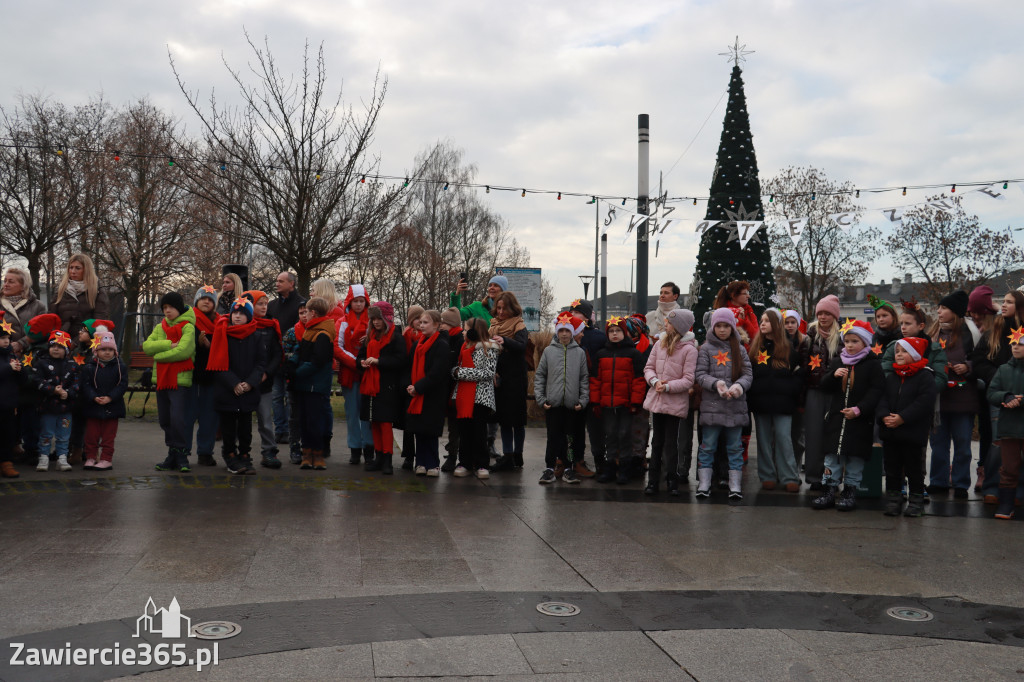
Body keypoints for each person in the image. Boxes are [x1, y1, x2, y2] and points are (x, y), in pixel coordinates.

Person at [812, 319, 885, 511]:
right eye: (848, 341)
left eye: (855, 341)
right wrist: (833, 376)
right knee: (832, 457)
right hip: (837, 419)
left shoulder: (872, 364)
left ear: (865, 343)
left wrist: (859, 409)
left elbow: (876, 391)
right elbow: (824, 386)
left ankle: (850, 491)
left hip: (860, 421)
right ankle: (829, 489)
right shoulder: (838, 361)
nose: (850, 345)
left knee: (855, 458)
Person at [971, 290, 1024, 504]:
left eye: (1009, 302)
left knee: (1019, 444)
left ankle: (1018, 490)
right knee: (998, 442)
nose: (1002, 306)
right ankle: (992, 487)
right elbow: (978, 359)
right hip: (999, 393)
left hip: (1021, 395)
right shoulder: (994, 330)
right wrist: (999, 377)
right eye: (1003, 301)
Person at [694, 308, 752, 499]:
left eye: (726, 326)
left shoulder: (740, 349)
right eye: (718, 326)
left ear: (732, 327)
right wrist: (716, 383)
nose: (722, 329)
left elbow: (747, 375)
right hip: (712, 408)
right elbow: (700, 375)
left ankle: (735, 485)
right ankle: (704, 483)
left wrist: (738, 387)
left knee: (735, 448)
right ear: (713, 326)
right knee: (708, 446)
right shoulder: (705, 349)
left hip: (735, 408)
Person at [878, 337, 937, 517]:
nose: (899, 355)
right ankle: (894, 500)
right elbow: (882, 398)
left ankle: (916, 501)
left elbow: (924, 402)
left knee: (913, 468)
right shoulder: (892, 376)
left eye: (904, 351)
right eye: (897, 352)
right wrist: (884, 415)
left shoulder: (925, 376)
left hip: (912, 431)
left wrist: (903, 417)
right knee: (892, 468)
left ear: (914, 354)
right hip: (891, 432)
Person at [642, 308, 698, 495]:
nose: (665, 324)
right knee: (657, 441)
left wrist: (668, 386)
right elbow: (649, 368)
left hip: (674, 401)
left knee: (671, 443)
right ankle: (653, 481)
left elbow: (688, 379)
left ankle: (672, 481)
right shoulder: (659, 345)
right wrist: (655, 381)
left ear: (678, 326)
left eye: (669, 322)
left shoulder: (689, 349)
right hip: (657, 400)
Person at [927, 290, 977, 499]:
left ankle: (960, 483)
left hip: (963, 398)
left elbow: (981, 359)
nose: (939, 311)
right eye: (939, 307)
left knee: (963, 444)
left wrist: (967, 366)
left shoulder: (969, 334)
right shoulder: (932, 334)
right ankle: (938, 481)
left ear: (955, 312)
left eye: (944, 308)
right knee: (938, 444)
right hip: (938, 399)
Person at [207, 298, 266, 475]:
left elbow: (261, 363)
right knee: (229, 427)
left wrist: (250, 382)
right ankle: (230, 455)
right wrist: (233, 383)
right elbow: (218, 364)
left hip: (248, 390)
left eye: (242, 314)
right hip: (227, 390)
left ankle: (245, 455)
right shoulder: (222, 334)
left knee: (245, 427)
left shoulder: (256, 336)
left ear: (249, 317)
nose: (237, 317)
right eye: (235, 313)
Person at [748, 309, 804, 492]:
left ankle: (789, 476)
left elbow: (798, 376)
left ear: (777, 324)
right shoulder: (755, 349)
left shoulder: (789, 349)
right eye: (761, 320)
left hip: (783, 404)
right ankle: (767, 476)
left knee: (784, 439)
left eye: (767, 320)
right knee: (763, 440)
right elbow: (750, 375)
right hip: (761, 402)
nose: (762, 324)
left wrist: (790, 391)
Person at [590, 316, 647, 488]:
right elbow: (595, 380)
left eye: (618, 331)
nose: (615, 334)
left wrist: (636, 402)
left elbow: (639, 379)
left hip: (626, 404)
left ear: (625, 333)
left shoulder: (633, 354)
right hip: (607, 404)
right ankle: (609, 467)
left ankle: (624, 468)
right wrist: (595, 402)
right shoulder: (601, 355)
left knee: (624, 435)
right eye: (611, 331)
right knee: (610, 435)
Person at [145, 292, 197, 473]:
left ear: (179, 308)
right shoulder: (161, 327)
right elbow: (147, 346)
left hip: (180, 380)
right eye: (164, 308)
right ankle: (172, 453)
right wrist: (168, 345)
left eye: (170, 307)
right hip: (162, 379)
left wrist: (158, 356)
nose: (167, 311)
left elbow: (184, 351)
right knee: (165, 419)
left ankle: (182, 454)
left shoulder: (188, 327)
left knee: (178, 419)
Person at [535, 312, 589, 484]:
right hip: (553, 404)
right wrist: (541, 399)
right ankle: (550, 467)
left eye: (567, 330)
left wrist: (582, 400)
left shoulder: (579, 353)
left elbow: (583, 378)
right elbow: (540, 376)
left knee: (570, 438)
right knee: (553, 437)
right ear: (557, 333)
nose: (564, 334)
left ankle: (568, 468)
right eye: (561, 331)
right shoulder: (549, 352)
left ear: (572, 332)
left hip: (572, 405)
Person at [358, 302, 406, 475]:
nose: (376, 322)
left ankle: (387, 459)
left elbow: (400, 361)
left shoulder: (396, 337)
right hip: (370, 385)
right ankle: (379, 457)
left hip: (386, 386)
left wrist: (379, 362)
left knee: (385, 424)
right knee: (374, 423)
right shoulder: (369, 336)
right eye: (374, 319)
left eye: (379, 318)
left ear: (387, 318)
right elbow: (361, 356)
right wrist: (362, 363)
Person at [451, 318, 499, 479]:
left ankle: (482, 464)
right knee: (464, 432)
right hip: (463, 396)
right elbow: (455, 367)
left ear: (474, 331)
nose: (463, 332)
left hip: (480, 397)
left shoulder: (489, 348)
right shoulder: (464, 347)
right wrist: (455, 371)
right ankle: (465, 462)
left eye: (465, 329)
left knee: (479, 432)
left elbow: (488, 373)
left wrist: (461, 373)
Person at [803, 294, 842, 490]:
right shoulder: (809, 337)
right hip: (814, 391)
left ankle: (832, 477)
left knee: (833, 435)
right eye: (820, 313)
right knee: (813, 435)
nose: (823, 317)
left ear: (835, 316)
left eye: (827, 313)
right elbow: (802, 365)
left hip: (835, 393)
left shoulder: (842, 338)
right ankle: (813, 477)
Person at [291, 297, 335, 470]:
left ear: (313, 313)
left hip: (315, 385)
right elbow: (301, 351)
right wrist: (293, 362)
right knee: (304, 420)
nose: (305, 315)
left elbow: (317, 361)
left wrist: (295, 373)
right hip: (306, 384)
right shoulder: (311, 330)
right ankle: (307, 453)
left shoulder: (323, 333)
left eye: (307, 312)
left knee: (314, 421)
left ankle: (317, 453)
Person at [404, 310, 450, 477]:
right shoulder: (417, 345)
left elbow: (437, 373)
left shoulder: (442, 345)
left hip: (432, 395)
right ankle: (420, 462)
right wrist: (411, 385)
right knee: (419, 430)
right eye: (420, 322)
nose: (421, 325)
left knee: (430, 431)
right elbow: (410, 367)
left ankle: (433, 463)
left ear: (436, 325)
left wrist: (419, 386)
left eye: (425, 323)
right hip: (417, 393)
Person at [242, 290, 284, 469]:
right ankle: (242, 453)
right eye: (260, 303)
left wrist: (267, 373)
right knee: (242, 421)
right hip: (244, 383)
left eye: (266, 303)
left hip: (264, 382)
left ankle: (269, 451)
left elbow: (277, 355)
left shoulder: (271, 326)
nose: (264, 307)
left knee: (266, 419)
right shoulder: (241, 325)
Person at [489, 292, 530, 472]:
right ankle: (507, 456)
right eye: (498, 308)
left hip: (517, 379)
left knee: (518, 420)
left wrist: (504, 340)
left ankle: (518, 454)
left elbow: (521, 347)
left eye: (504, 308)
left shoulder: (519, 325)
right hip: (501, 378)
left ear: (512, 308)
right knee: (504, 420)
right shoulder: (493, 326)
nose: (500, 312)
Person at [986, 332, 1024, 519]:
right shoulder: (1003, 370)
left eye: (1021, 344)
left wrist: (1021, 401)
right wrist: (1005, 397)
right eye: (1014, 344)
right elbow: (992, 393)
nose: (1016, 347)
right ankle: (1006, 503)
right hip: (1009, 427)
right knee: (1009, 467)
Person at [336, 284, 374, 466]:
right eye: (355, 301)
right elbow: (337, 346)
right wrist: (356, 363)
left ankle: (369, 448)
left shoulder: (374, 322)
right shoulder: (342, 321)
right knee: (352, 414)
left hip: (369, 373)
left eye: (362, 301)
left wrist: (366, 362)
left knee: (367, 414)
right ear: (349, 302)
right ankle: (354, 448)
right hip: (351, 374)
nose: (359, 305)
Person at [266, 271, 306, 443]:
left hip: (293, 361)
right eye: (276, 281)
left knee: (291, 398)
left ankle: (291, 431)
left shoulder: (301, 304)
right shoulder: (272, 305)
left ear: (292, 284)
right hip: (275, 359)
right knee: (276, 396)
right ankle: (279, 430)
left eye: (281, 281)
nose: (277, 284)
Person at [79, 331, 128, 470]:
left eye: (110, 349)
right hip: (93, 406)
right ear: (96, 351)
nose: (107, 352)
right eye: (103, 349)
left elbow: (122, 385)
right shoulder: (89, 367)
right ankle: (91, 457)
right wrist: (93, 396)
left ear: (115, 351)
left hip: (113, 406)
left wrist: (110, 397)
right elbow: (85, 385)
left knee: (108, 436)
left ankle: (106, 459)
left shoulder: (120, 367)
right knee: (91, 435)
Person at [569, 298, 606, 478]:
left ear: (586, 316)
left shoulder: (598, 337)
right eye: (571, 312)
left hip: (592, 389)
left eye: (577, 312)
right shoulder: (564, 335)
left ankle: (600, 460)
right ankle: (574, 461)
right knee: (573, 429)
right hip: (571, 389)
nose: (573, 315)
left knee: (595, 428)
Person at [34, 330, 79, 472]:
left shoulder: (72, 365)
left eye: (60, 347)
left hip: (66, 408)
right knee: (46, 433)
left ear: (66, 350)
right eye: (53, 346)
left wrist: (68, 393)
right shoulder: (42, 363)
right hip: (48, 407)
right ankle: (43, 457)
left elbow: (77, 383)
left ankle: (62, 458)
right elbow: (37, 381)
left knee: (64, 434)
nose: (55, 349)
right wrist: (53, 390)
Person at [311, 278, 346, 457]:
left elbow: (335, 339)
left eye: (314, 289)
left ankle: (325, 440)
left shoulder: (336, 312)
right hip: (316, 361)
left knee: (324, 403)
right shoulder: (314, 311)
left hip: (326, 363)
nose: (311, 292)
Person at [189, 286, 221, 466]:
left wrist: (209, 346)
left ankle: (205, 452)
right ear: (196, 301)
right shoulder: (188, 322)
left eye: (210, 299)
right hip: (191, 376)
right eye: (202, 298)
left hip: (211, 377)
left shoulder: (220, 324)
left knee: (209, 417)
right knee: (187, 416)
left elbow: (222, 352)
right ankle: (182, 451)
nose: (206, 301)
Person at [50, 253, 110, 340]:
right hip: (60, 341)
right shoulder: (61, 289)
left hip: (85, 342)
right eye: (71, 267)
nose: (73, 271)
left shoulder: (97, 291)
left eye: (78, 268)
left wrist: (76, 343)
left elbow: (99, 321)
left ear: (86, 270)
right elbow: (52, 317)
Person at [783, 309, 811, 469]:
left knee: (798, 435)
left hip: (800, 395)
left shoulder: (805, 341)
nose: (790, 326)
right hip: (784, 395)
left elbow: (805, 368)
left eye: (793, 322)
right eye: (787, 322)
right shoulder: (779, 342)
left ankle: (795, 465)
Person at [281, 300, 308, 464]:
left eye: (307, 312)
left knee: (309, 415)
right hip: (294, 379)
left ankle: (308, 447)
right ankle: (294, 447)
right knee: (295, 415)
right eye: (301, 313)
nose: (304, 315)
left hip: (311, 380)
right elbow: (284, 354)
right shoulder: (292, 333)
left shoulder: (317, 331)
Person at [439, 307, 464, 472]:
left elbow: (453, 360)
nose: (441, 325)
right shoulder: (447, 337)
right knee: (452, 424)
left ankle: (454, 454)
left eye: (444, 322)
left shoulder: (458, 339)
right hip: (447, 386)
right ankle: (453, 451)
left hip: (457, 388)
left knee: (455, 425)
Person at [399, 305, 424, 470]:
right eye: (416, 319)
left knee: (420, 422)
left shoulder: (425, 336)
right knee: (408, 423)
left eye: (422, 320)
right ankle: (408, 455)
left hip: (421, 380)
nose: (419, 323)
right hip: (408, 380)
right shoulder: (407, 335)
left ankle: (420, 456)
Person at [0, 312, 25, 478]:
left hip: (8, 403)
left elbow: (23, 380)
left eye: (7, 338)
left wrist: (19, 370)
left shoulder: (11, 355)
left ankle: (6, 462)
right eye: (2, 338)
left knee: (7, 434)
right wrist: (9, 368)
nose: (6, 341)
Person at [2, 266, 47, 354]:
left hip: (29, 356)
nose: (6, 284)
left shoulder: (38, 306)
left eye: (11, 282)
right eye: (5, 281)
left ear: (23, 286)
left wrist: (21, 343)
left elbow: (43, 331)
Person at [712, 280, 758, 347]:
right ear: (733, 295)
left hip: (749, 354)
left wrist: (744, 319)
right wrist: (739, 320)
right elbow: (728, 336)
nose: (748, 296)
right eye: (745, 293)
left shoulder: (749, 312)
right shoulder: (722, 314)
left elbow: (755, 336)